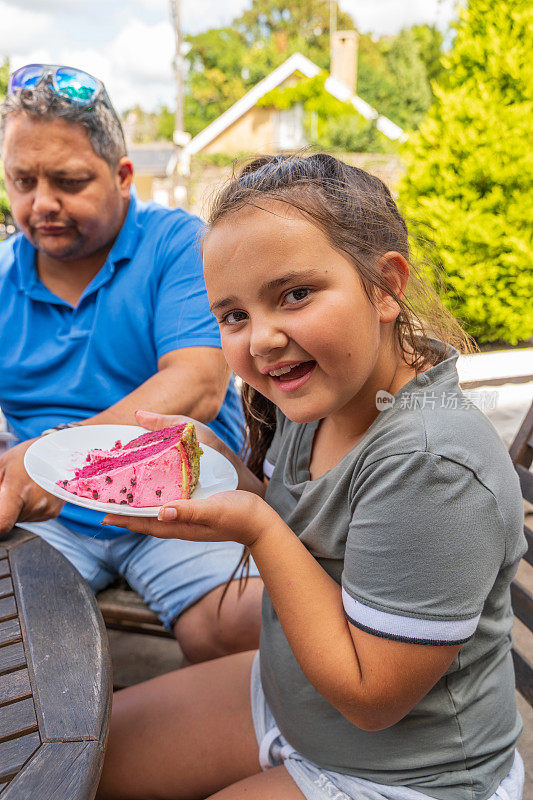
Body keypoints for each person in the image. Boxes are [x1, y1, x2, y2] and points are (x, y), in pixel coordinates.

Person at [95, 153, 526, 800]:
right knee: (73, 754)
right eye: (234, 315)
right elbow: (324, 536)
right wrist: (231, 480)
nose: (261, 339)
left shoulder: (432, 465)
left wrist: (256, 527)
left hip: (403, 772)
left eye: (294, 295)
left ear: (385, 287)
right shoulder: (323, 390)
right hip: (292, 692)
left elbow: (370, 696)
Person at [0, 64, 262, 663]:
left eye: (67, 181)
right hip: (49, 519)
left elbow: (196, 384)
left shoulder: (177, 244)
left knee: (246, 634)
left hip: (172, 493)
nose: (41, 203)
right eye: (21, 181)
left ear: (123, 176)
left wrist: (58, 462)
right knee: (20, 647)